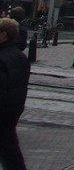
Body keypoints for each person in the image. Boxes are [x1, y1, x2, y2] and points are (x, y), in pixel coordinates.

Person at [0, 17, 30, 170]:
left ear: (4, 35)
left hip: (2, 112)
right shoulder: (20, 56)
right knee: (11, 153)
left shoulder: (2, 57)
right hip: (13, 112)